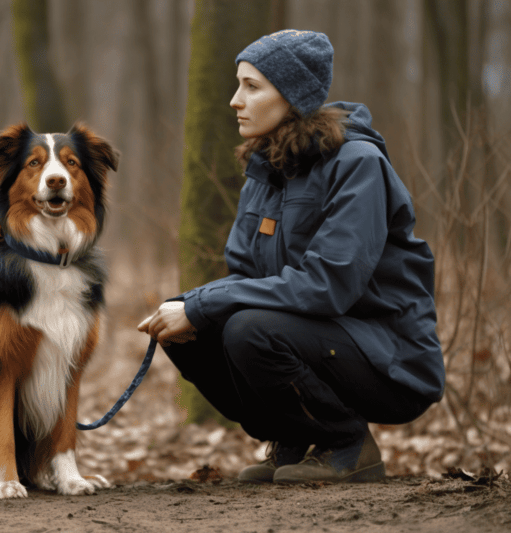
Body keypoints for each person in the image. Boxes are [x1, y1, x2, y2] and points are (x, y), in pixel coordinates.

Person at [138, 29, 445, 484]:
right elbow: (244, 276)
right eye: (238, 85)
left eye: (252, 86)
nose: (234, 101)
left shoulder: (357, 163)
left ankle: (346, 444)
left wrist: (204, 304)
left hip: (390, 358)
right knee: (192, 330)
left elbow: (327, 285)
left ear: (293, 96)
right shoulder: (265, 171)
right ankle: (293, 438)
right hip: (324, 341)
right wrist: (192, 306)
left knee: (244, 327)